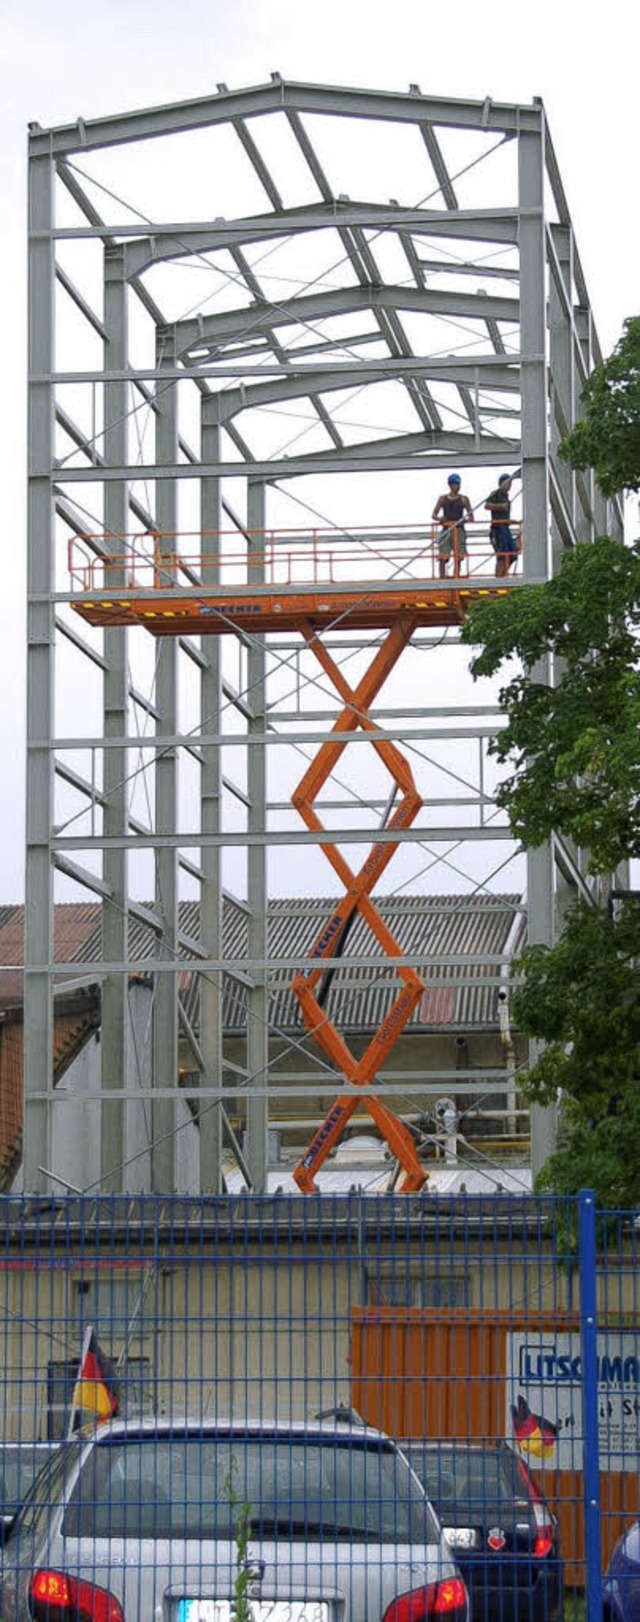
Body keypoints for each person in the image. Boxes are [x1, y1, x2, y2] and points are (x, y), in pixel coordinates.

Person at [431, 474, 474, 577]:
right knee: (443, 555)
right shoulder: (443, 499)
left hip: (458, 529)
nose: (457, 487)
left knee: (458, 556)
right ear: (450, 485)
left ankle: (456, 577)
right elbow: (434, 514)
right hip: (446, 529)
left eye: (458, 484)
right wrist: (440, 519)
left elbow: (471, 516)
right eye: (454, 484)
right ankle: (442, 579)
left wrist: (463, 521)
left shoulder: (464, 499)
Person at [484, 474, 519, 577]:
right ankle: (499, 577)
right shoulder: (496, 494)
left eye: (510, 483)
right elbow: (487, 505)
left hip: (505, 527)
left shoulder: (506, 497)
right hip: (498, 529)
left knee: (512, 554)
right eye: (508, 482)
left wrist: (511, 521)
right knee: (502, 555)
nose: (509, 485)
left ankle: (503, 574)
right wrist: (500, 506)